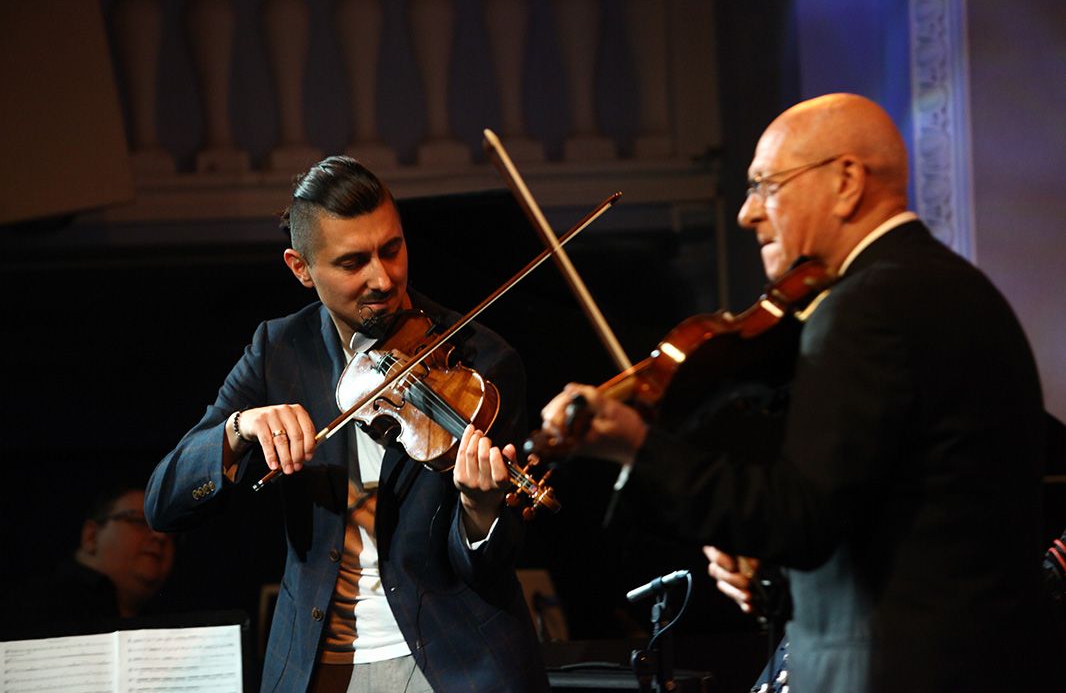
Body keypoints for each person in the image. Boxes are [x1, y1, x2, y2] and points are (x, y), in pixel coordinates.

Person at [462, 93, 1058, 691]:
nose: (748, 214)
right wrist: (775, 578)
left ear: (847, 182)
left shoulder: (864, 309)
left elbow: (800, 517)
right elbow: (894, 520)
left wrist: (637, 447)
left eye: (766, 186)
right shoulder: (959, 290)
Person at [145, 156, 548, 692]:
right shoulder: (278, 350)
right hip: (318, 663)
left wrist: (480, 510)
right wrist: (240, 428)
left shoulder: (479, 362)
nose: (383, 279)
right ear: (301, 268)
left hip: (452, 658)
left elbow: (488, 567)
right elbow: (164, 504)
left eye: (392, 249)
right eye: (353, 262)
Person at [2, 484, 175, 639]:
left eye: (169, 532)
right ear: (91, 536)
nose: (160, 537)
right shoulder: (33, 605)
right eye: (139, 521)